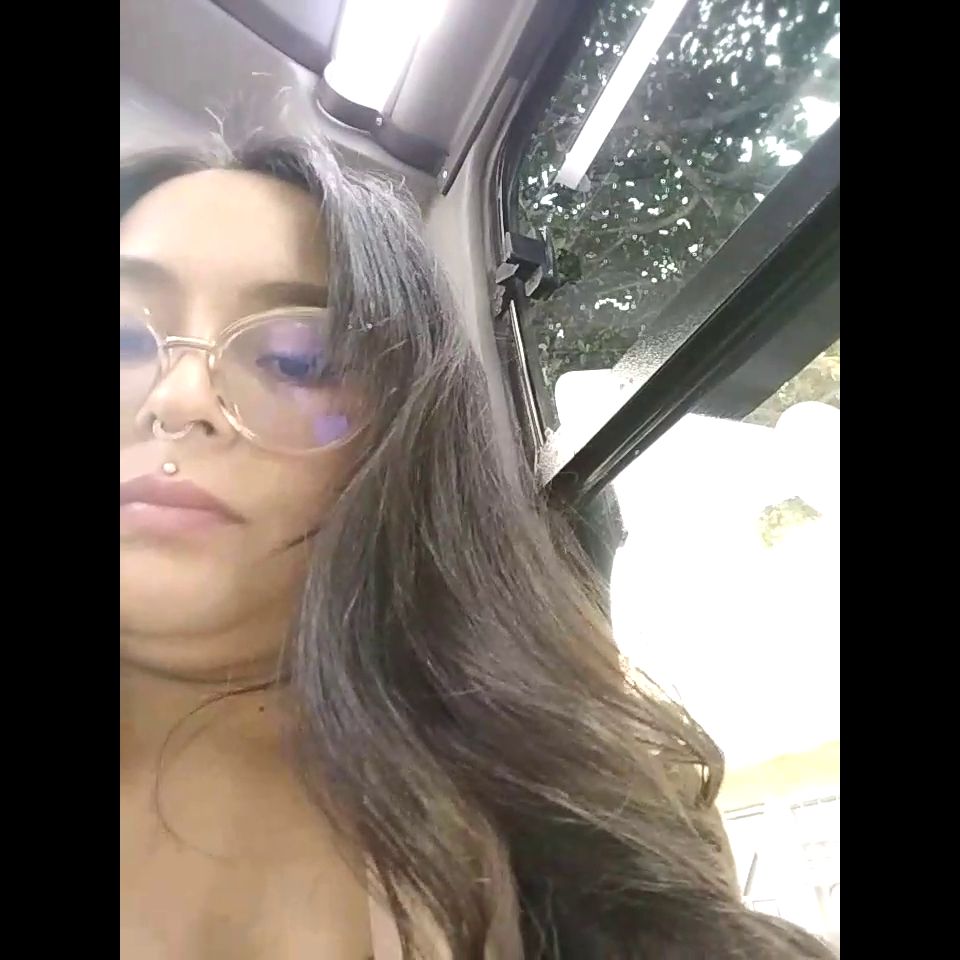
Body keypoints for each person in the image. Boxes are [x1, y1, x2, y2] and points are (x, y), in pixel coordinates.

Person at [120, 135, 835, 959]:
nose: (178, 398)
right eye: (124, 342)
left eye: (295, 360)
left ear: (400, 440)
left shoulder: (576, 829)